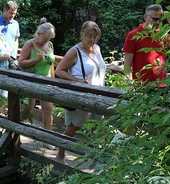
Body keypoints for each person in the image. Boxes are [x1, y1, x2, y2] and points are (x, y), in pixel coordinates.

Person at [55, 21, 107, 164]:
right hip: (80, 96)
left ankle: (100, 163)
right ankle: (60, 155)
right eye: (89, 36)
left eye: (95, 37)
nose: (92, 40)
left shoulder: (97, 48)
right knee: (72, 129)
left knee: (97, 130)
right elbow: (59, 71)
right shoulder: (75, 51)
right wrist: (76, 80)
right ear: (82, 34)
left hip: (98, 96)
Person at [18, 21, 57, 148]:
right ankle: (15, 131)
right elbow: (21, 62)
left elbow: (51, 64)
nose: (46, 41)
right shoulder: (30, 44)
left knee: (48, 109)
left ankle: (47, 139)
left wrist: (53, 81)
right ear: (38, 34)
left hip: (46, 82)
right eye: (45, 38)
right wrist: (36, 59)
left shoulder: (50, 45)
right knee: (28, 109)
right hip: (31, 81)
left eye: (49, 38)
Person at [123, 4, 170, 84]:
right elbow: (127, 62)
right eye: (155, 19)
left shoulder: (161, 34)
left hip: (161, 85)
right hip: (141, 86)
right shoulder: (133, 35)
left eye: (160, 19)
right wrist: (129, 83)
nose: (157, 22)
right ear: (145, 17)